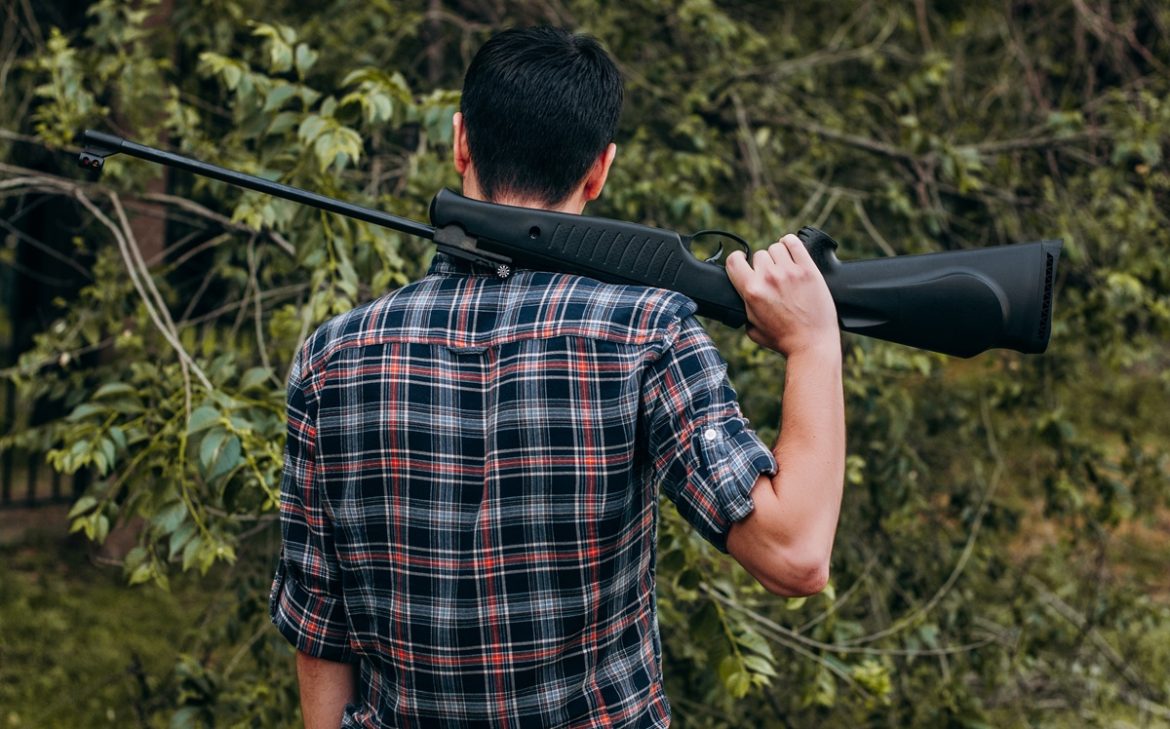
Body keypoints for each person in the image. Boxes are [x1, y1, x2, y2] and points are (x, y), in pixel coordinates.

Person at [270, 26, 844, 729]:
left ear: (461, 142)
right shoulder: (648, 334)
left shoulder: (332, 357)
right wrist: (813, 343)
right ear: (599, 169)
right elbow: (795, 554)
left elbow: (322, 633)